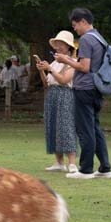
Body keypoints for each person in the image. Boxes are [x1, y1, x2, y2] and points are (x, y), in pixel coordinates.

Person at [63, 8, 111, 179]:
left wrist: (66, 60)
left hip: (84, 88)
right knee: (95, 128)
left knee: (85, 130)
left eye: (75, 25)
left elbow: (84, 67)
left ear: (83, 21)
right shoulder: (99, 38)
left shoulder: (86, 39)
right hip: (96, 88)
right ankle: (105, 167)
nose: (75, 29)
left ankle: (85, 169)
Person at [37, 31, 79, 171]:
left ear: (69, 47)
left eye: (62, 44)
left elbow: (64, 80)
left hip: (66, 95)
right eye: (57, 44)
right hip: (52, 95)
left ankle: (72, 163)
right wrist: (42, 70)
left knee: (66, 126)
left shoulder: (72, 63)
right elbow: (46, 83)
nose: (59, 47)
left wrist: (49, 69)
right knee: (52, 126)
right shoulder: (55, 62)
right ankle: (59, 162)